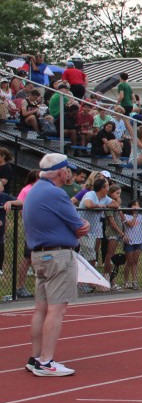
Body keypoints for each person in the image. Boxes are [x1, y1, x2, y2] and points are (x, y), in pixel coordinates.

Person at [23, 154, 90, 376]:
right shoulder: (55, 193)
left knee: (41, 308)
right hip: (58, 256)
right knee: (56, 309)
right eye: (67, 169)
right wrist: (83, 224)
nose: (69, 173)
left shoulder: (35, 190)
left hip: (39, 255)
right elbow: (79, 226)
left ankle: (36, 357)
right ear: (61, 172)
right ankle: (46, 361)